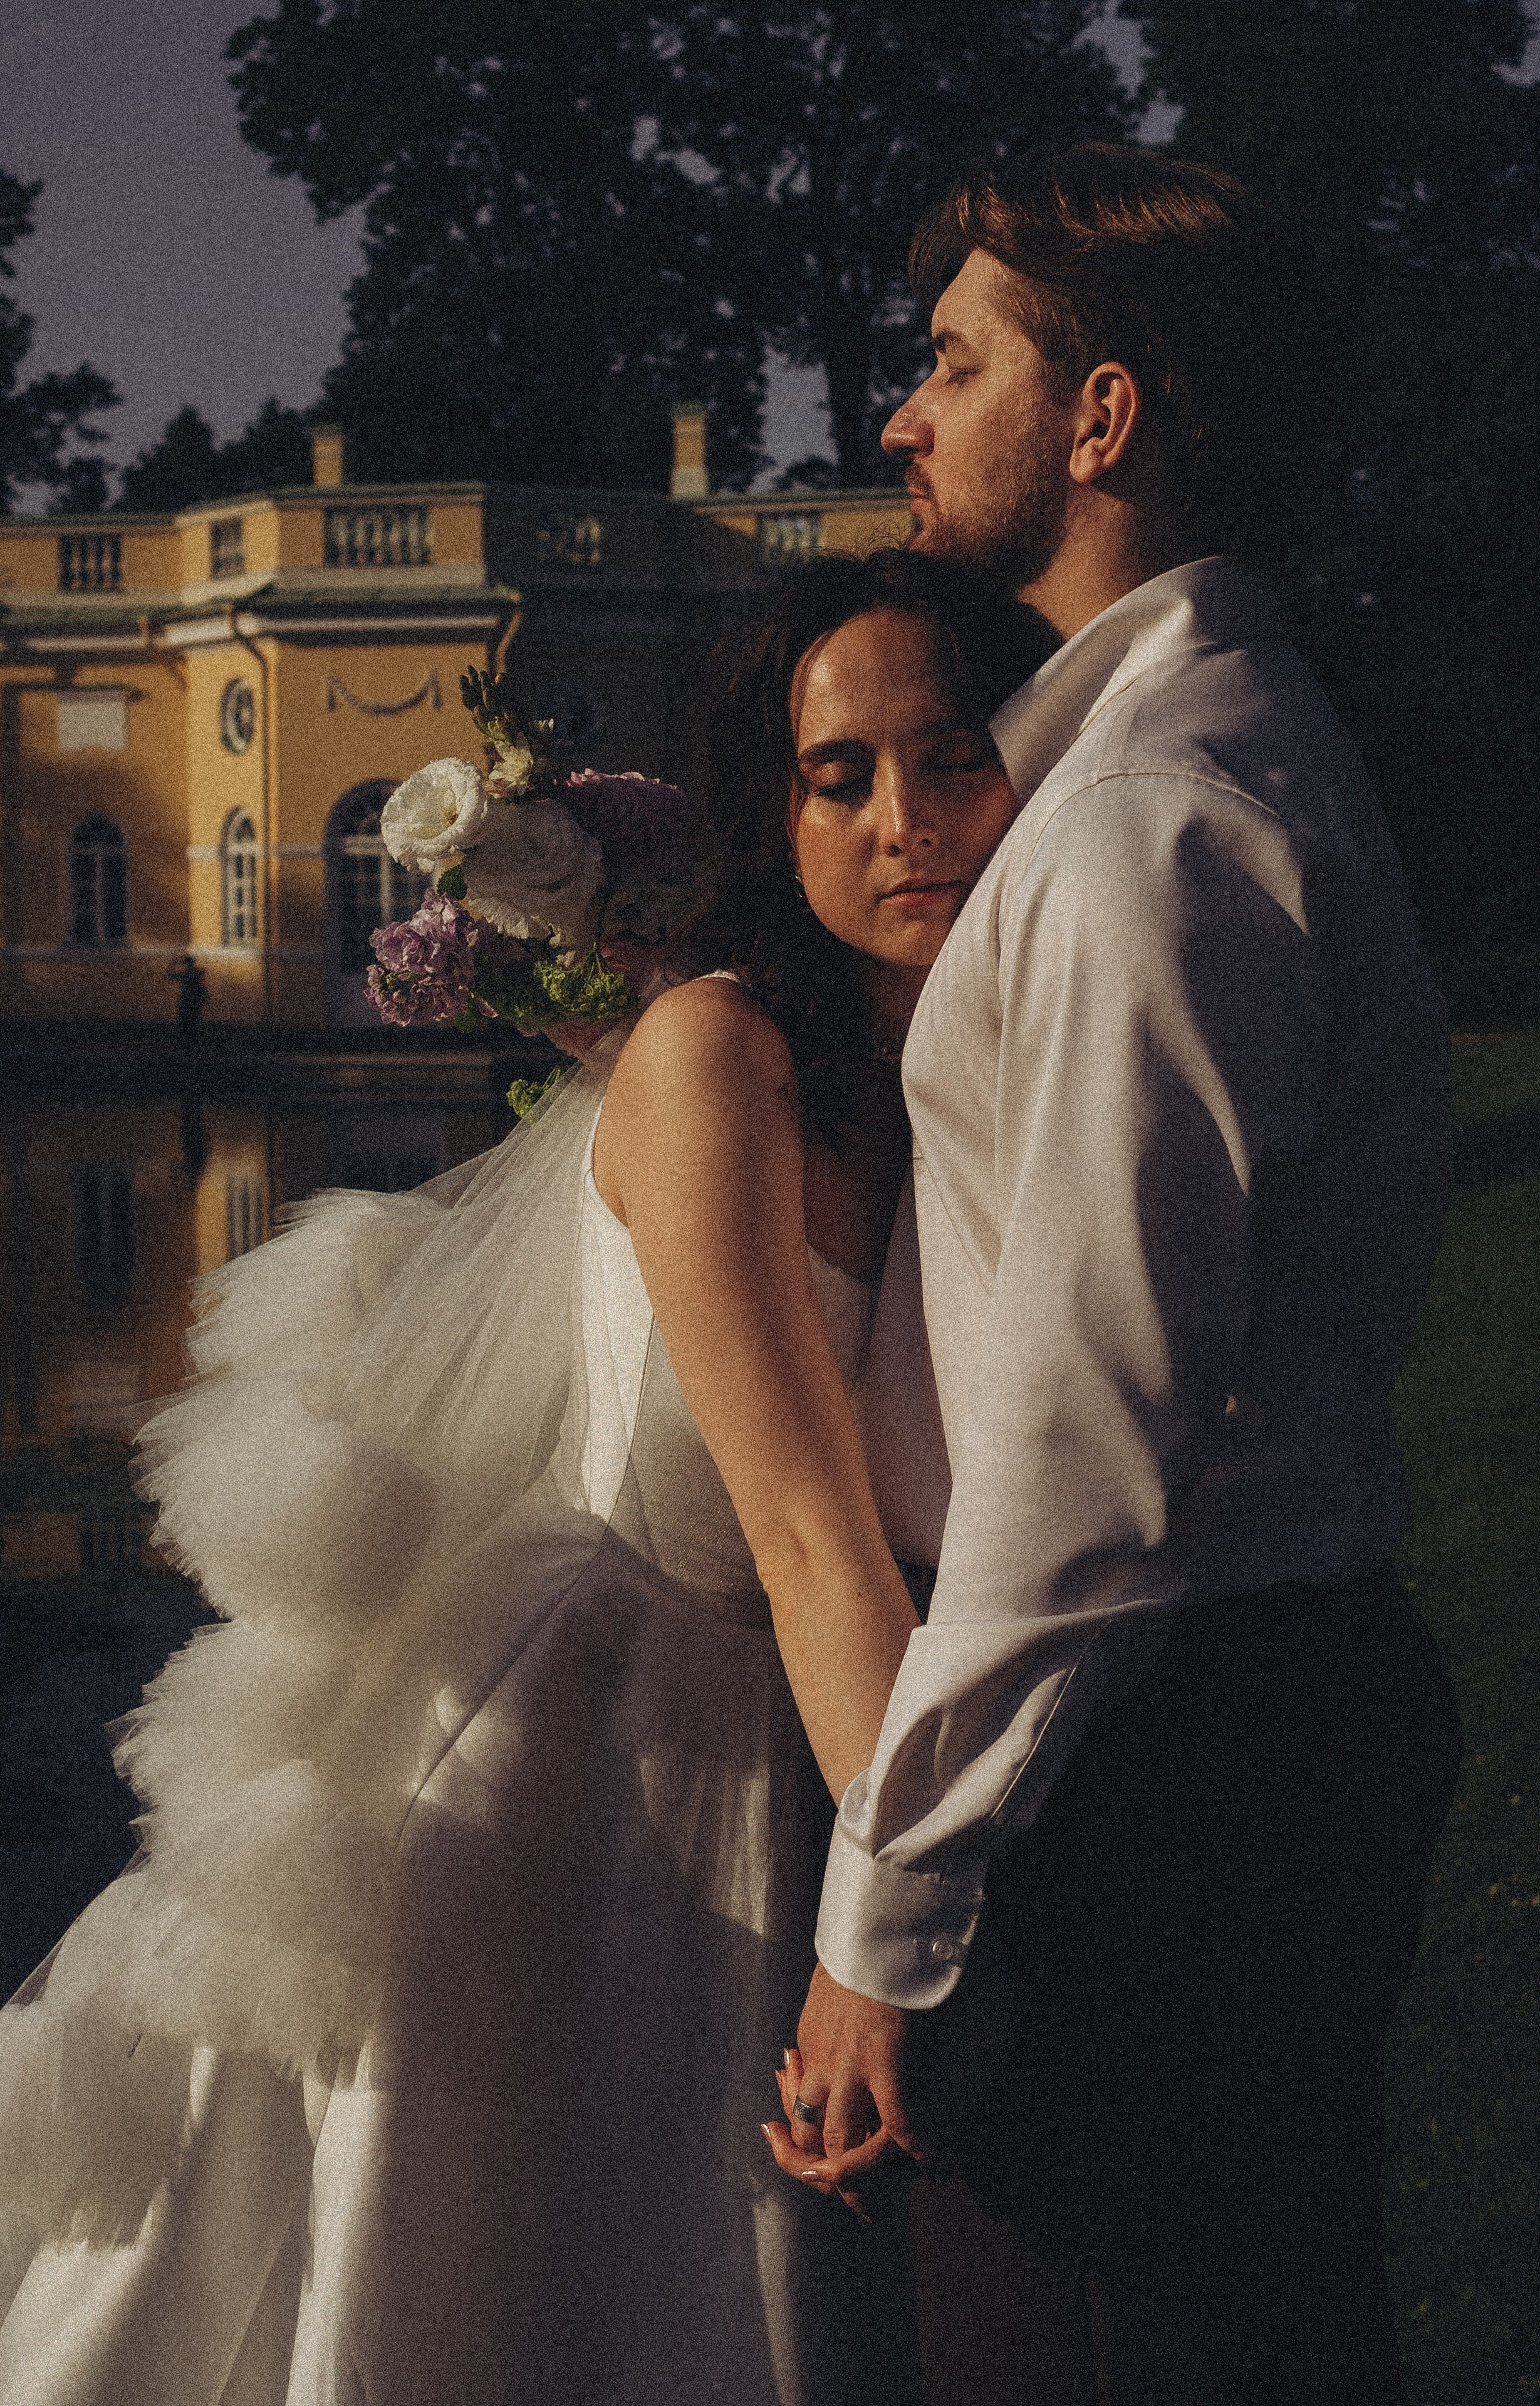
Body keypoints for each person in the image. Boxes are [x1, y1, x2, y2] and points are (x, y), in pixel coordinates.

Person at [0, 551, 1044, 2406]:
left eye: (954, 755)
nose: (905, 823)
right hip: (589, 1752)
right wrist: (933, 1920)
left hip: (772, 1725)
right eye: (838, 776)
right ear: (771, 812)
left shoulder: (914, 1070)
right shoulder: (716, 1056)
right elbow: (808, 1538)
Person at [765, 145, 1464, 2405]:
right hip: (1217, 1731)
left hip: (1159, 1783)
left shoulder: (1158, 824)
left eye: (954, 363)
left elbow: (1082, 1468)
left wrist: (887, 1922)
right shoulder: (1172, 769)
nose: (903, 416)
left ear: (1102, 419)